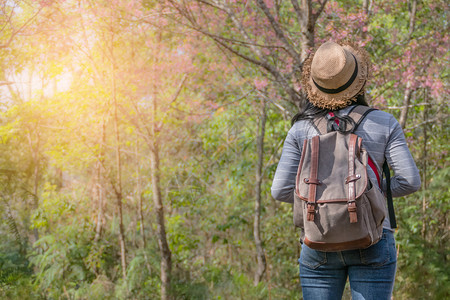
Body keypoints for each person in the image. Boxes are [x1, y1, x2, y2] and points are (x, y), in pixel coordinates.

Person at [271, 41, 421, 299]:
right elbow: (409, 181)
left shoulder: (300, 129)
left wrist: (320, 201)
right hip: (372, 237)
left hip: (319, 237)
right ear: (358, 81)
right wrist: (368, 194)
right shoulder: (384, 122)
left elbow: (280, 190)